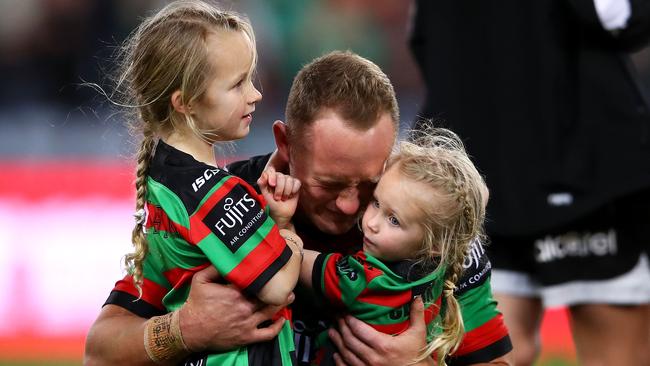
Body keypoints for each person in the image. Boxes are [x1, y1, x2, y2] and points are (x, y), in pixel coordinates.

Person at [85, 50, 513, 365]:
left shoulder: (433, 229)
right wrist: (183, 330)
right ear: (285, 145)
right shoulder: (216, 206)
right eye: (329, 184)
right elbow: (100, 351)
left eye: (369, 182)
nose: (350, 206)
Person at [409, 1, 650, 365]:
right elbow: (621, 17)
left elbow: (422, 38)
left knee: (488, 354)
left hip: (473, 159)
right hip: (582, 162)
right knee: (613, 355)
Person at [84, 1, 306, 365]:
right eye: (237, 84)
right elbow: (279, 287)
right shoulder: (212, 192)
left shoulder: (162, 180)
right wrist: (286, 230)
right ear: (185, 102)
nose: (255, 94)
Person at [295, 127, 489, 366]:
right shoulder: (438, 268)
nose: (373, 223)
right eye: (376, 203)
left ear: (435, 245)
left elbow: (295, 258)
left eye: (394, 220)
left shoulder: (369, 279)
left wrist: (282, 224)